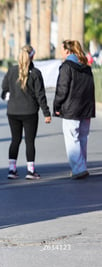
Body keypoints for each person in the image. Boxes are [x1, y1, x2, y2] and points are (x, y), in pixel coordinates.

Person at [1, 45, 52, 180]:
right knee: (30, 142)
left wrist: (9, 97)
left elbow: (4, 89)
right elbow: (40, 95)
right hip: (29, 112)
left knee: (15, 140)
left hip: (12, 111)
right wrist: (46, 113)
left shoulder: (11, 71)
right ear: (33, 56)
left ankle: (12, 170)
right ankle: (31, 171)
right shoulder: (35, 73)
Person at [53, 40, 95, 180]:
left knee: (72, 138)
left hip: (71, 108)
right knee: (82, 138)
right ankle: (82, 166)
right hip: (86, 108)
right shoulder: (87, 67)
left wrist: (57, 106)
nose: (61, 52)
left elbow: (62, 89)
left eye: (62, 49)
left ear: (67, 51)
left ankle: (79, 169)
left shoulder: (67, 67)